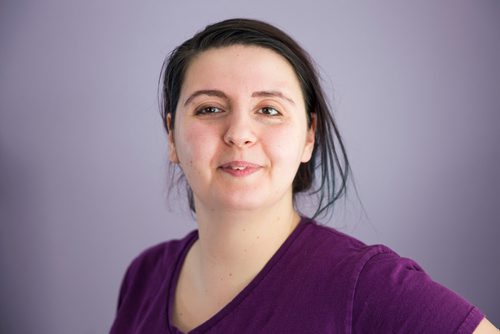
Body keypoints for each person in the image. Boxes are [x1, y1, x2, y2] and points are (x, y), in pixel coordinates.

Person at [110, 18, 497, 333]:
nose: (239, 133)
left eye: (269, 110)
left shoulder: (367, 286)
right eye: (210, 109)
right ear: (172, 137)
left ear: (309, 136)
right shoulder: (145, 276)